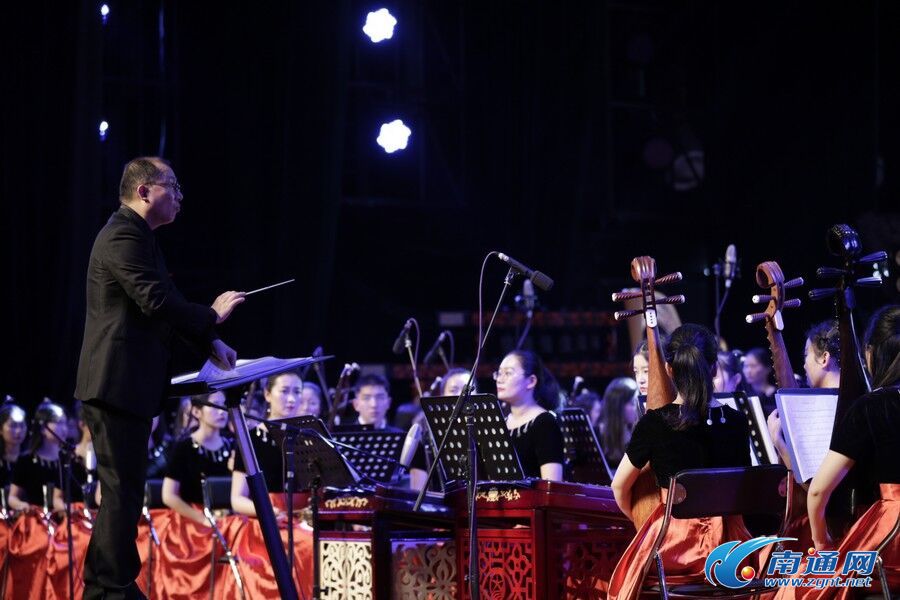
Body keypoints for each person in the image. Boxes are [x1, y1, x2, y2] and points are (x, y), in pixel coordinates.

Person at [74, 156, 244, 599]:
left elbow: (166, 305)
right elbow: (155, 302)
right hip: (114, 383)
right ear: (145, 191)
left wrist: (211, 341)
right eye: (174, 186)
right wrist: (212, 315)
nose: (181, 196)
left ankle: (104, 587)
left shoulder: (142, 238)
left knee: (124, 492)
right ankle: (112, 588)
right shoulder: (122, 235)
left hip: (130, 386)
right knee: (122, 493)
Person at [608, 324, 752, 600]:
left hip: (673, 549)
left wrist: (644, 523)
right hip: (731, 548)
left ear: (669, 369)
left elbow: (618, 487)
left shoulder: (654, 423)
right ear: (713, 369)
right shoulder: (736, 422)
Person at [806, 305, 900, 580]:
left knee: (804, 586)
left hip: (893, 533)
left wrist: (821, 542)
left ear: (871, 353)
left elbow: (817, 492)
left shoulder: (872, 406)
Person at [161, 393, 234, 525]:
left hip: (230, 518)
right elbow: (168, 496)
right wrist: (203, 519)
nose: (222, 411)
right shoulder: (184, 447)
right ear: (196, 411)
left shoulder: (233, 446)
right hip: (194, 518)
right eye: (215, 405)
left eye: (224, 405)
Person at [493, 350, 564, 481]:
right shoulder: (500, 423)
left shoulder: (545, 423)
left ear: (531, 381)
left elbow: (552, 484)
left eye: (508, 373)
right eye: (499, 373)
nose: (499, 379)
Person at [597, 378, 639, 471]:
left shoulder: (637, 433)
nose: (636, 407)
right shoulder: (597, 435)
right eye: (632, 403)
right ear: (618, 406)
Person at [0, 399, 27, 493]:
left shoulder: (30, 460)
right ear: (0, 429)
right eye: (13, 426)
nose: (18, 431)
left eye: (22, 425)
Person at [743, 347, 777, 414]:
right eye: (746, 366)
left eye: (753, 366)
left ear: (767, 368)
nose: (748, 371)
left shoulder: (777, 395)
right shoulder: (744, 396)